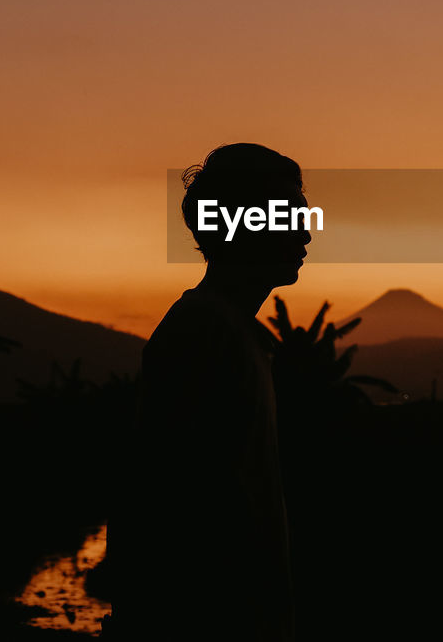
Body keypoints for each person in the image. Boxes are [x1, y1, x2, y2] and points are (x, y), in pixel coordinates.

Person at [107, 143, 309, 640]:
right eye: (288, 217)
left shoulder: (234, 333)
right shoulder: (202, 332)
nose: (305, 233)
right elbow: (165, 495)